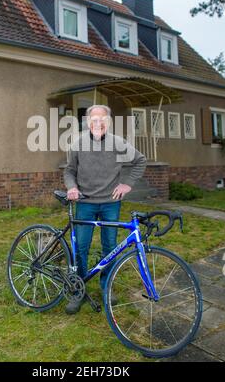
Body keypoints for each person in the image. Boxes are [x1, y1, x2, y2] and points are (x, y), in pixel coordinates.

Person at [63, 104, 147, 314]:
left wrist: (127, 184)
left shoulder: (117, 143)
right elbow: (69, 171)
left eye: (102, 119)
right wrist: (72, 187)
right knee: (81, 247)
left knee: (110, 246)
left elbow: (140, 161)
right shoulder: (79, 144)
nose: (98, 123)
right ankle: (78, 288)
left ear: (108, 122)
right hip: (85, 202)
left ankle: (105, 286)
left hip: (111, 202)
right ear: (87, 122)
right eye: (94, 119)